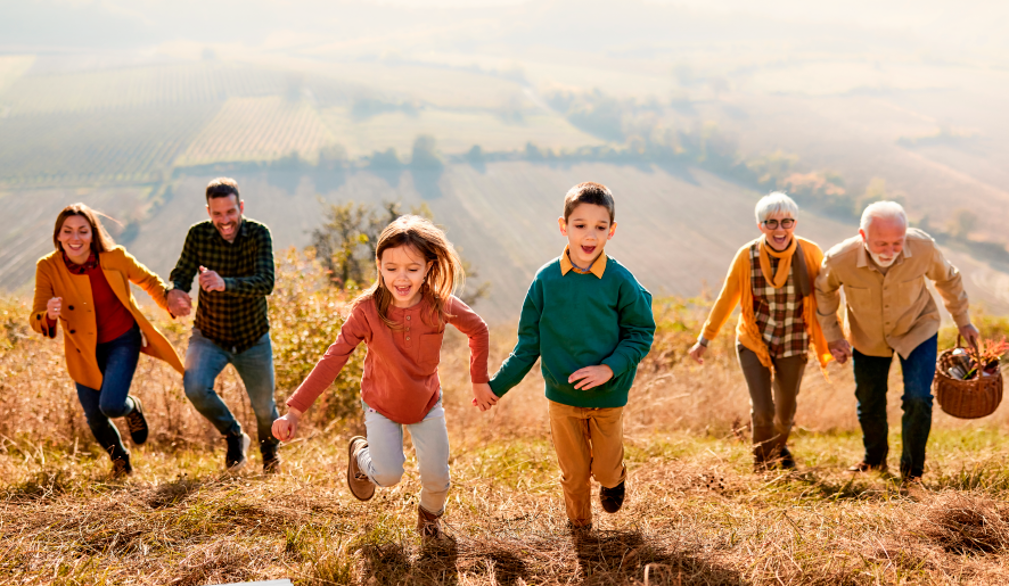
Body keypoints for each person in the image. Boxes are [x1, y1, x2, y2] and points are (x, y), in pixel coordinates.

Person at [272, 215, 491, 541]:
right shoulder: (367, 311)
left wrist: (479, 379)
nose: (401, 278)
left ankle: (429, 523)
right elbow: (333, 359)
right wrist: (295, 410)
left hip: (426, 403)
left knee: (438, 479)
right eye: (391, 268)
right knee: (388, 475)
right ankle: (360, 455)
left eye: (412, 269)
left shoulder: (439, 304)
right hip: (381, 404)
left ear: (428, 268)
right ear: (379, 265)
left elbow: (479, 329)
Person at [486, 182, 655, 533]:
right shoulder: (546, 281)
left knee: (604, 470)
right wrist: (495, 387)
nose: (589, 235)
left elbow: (641, 333)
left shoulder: (620, 280)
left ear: (612, 230)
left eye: (600, 226)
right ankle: (581, 532)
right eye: (580, 225)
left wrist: (608, 368)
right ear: (563, 226)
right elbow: (527, 345)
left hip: (608, 397)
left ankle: (615, 479)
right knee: (574, 473)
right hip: (561, 399)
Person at [815, 201, 979, 482]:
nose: (890, 251)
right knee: (869, 401)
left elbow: (948, 279)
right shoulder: (839, 258)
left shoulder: (923, 247)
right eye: (881, 244)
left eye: (897, 243)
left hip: (917, 328)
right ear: (863, 236)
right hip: (867, 336)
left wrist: (963, 320)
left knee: (918, 398)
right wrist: (834, 336)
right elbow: (824, 291)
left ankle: (912, 472)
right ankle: (874, 459)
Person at [29, 203, 184, 476]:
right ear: (58, 235)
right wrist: (48, 314)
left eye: (82, 231)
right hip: (82, 350)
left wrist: (170, 300)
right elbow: (36, 315)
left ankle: (132, 407)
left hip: (121, 339)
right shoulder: (48, 267)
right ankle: (120, 461)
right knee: (95, 417)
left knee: (112, 404)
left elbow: (148, 281)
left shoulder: (114, 257)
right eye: (68, 231)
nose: (75, 238)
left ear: (93, 234)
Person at [688, 192, 832, 471]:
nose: (780, 229)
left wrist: (835, 339)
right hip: (754, 341)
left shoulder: (811, 253)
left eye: (786, 221)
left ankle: (778, 449)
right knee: (764, 410)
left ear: (795, 222)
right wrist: (704, 340)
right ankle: (762, 468)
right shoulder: (747, 255)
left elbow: (826, 297)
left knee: (785, 411)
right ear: (760, 226)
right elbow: (726, 298)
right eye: (771, 222)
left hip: (794, 341)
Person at [167, 177, 281, 472]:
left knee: (264, 408)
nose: (225, 220)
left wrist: (224, 283)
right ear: (209, 212)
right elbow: (182, 273)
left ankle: (270, 456)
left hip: (252, 337)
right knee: (194, 387)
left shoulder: (258, 235)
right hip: (210, 334)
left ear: (240, 207)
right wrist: (177, 293)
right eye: (217, 214)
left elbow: (266, 282)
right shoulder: (198, 235)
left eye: (230, 212)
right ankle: (233, 436)